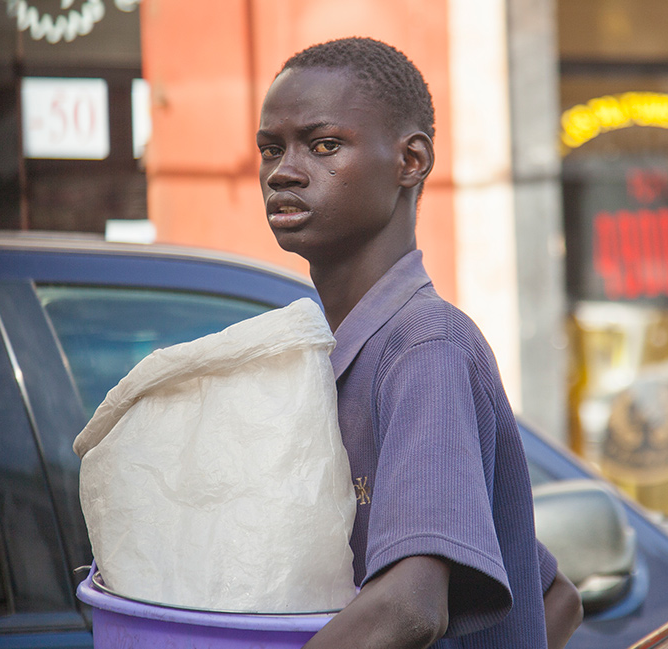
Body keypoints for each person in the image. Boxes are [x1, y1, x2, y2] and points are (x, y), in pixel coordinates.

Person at [256, 37, 583, 649]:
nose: (284, 171)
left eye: (324, 145)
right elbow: (550, 595)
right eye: (271, 149)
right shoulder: (336, 353)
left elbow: (410, 608)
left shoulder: (424, 350)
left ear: (410, 161)